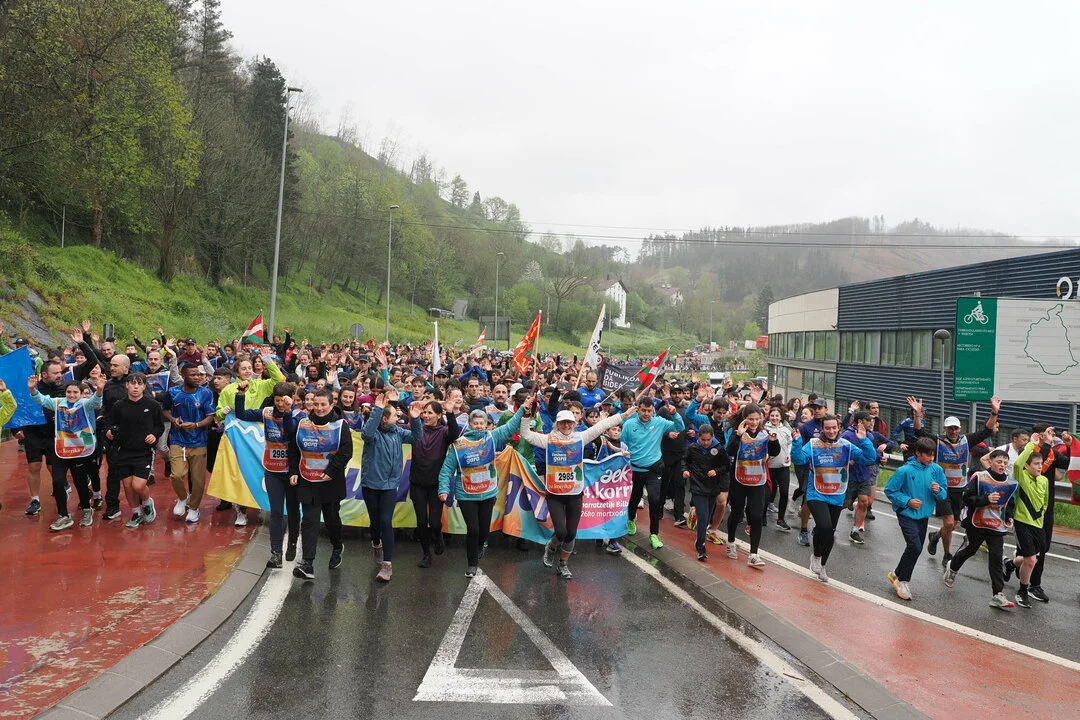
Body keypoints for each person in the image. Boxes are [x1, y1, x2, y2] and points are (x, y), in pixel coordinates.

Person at [520, 401, 633, 579]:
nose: (566, 426)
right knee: (561, 532)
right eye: (563, 423)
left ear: (574, 424)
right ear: (557, 424)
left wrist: (623, 416)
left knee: (572, 533)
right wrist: (526, 414)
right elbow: (526, 434)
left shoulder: (580, 438)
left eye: (569, 423)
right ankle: (551, 546)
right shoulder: (548, 440)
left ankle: (563, 565)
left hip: (575, 494)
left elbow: (601, 426)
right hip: (555, 495)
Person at [909, 395, 1000, 567]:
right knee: (949, 522)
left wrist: (994, 412)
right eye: (950, 428)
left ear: (960, 429)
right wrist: (917, 415)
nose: (953, 431)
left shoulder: (967, 440)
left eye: (956, 428)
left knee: (953, 524)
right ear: (945, 428)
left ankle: (935, 536)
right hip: (942, 488)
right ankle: (947, 554)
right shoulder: (937, 441)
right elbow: (919, 432)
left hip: (960, 488)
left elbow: (986, 431)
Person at [438, 405, 525, 578]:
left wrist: (522, 409)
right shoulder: (459, 444)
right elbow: (447, 469)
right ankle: (472, 564)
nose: (479, 426)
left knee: (484, 531)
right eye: (475, 423)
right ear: (470, 424)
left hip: (488, 493)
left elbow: (510, 427)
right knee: (473, 529)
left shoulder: (492, 437)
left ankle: (479, 545)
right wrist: (443, 489)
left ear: (486, 425)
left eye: (481, 423)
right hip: (466, 494)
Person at [232, 382, 303, 567]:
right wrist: (240, 394)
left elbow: (290, 429)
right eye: (277, 400)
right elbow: (241, 414)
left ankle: (292, 543)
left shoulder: (299, 415)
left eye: (283, 401)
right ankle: (276, 553)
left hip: (292, 472)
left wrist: (288, 410)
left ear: (291, 399)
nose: (280, 404)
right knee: (276, 512)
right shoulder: (267, 412)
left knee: (293, 511)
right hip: (273, 470)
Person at [360, 389, 424, 583]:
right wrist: (378, 409)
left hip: (389, 485)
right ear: (385, 419)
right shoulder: (373, 434)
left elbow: (417, 438)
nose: (399, 417)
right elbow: (366, 433)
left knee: (386, 521)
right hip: (371, 484)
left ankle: (387, 565)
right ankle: (376, 543)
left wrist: (415, 419)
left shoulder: (398, 432)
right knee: (375, 523)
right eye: (395, 415)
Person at [801, 415, 876, 581]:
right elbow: (799, 459)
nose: (831, 431)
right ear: (822, 429)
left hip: (836, 494)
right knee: (824, 526)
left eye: (834, 428)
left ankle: (822, 565)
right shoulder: (813, 444)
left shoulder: (845, 445)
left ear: (839, 428)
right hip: (816, 493)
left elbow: (869, 458)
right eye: (827, 428)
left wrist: (864, 440)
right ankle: (816, 555)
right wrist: (796, 442)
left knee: (830, 532)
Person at [289, 389, 353, 581]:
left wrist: (330, 471)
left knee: (331, 520)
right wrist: (293, 471)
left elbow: (346, 452)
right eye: (315, 404)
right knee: (309, 520)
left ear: (331, 405)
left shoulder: (340, 425)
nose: (319, 408)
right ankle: (308, 564)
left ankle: (337, 546)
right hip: (307, 480)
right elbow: (294, 449)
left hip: (330, 482)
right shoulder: (302, 423)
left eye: (323, 404)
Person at [29, 373, 104, 531]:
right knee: (57, 482)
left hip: (80, 449)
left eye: (75, 392)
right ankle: (63, 515)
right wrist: (32, 389)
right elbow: (42, 400)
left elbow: (96, 402)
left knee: (80, 482)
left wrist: (99, 390)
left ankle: (86, 509)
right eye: (69, 392)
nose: (71, 395)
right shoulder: (58, 403)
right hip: (62, 449)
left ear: (80, 393)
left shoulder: (85, 404)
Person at [943, 448, 1016, 609]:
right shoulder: (980, 477)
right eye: (999, 462)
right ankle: (952, 568)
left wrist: (1009, 517)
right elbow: (966, 498)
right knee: (971, 549)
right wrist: (986, 499)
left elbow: (1009, 503)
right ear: (990, 462)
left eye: (1005, 462)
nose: (1002, 465)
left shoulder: (1010, 483)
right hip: (976, 523)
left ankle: (997, 594)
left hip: (996, 525)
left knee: (996, 558)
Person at [884, 436, 948, 601]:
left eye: (933, 455)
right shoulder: (904, 471)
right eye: (928, 455)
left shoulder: (936, 470)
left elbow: (943, 494)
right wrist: (907, 501)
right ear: (918, 453)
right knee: (915, 546)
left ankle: (896, 573)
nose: (931, 458)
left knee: (915, 548)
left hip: (923, 516)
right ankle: (903, 581)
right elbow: (889, 490)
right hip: (906, 514)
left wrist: (938, 490)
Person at [103, 373, 165, 529]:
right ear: (127, 385)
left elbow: (160, 426)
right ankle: (136, 513)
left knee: (138, 486)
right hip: (123, 450)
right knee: (128, 486)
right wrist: (109, 432)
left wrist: (154, 435)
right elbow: (109, 423)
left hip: (144, 451)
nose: (136, 387)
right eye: (133, 383)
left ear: (144, 386)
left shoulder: (153, 405)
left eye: (139, 384)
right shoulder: (119, 406)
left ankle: (147, 503)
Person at [725, 404, 781, 568]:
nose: (754, 422)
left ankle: (754, 554)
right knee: (736, 513)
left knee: (756, 516)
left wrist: (774, 441)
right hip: (739, 479)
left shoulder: (764, 434)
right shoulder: (738, 433)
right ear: (745, 419)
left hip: (757, 480)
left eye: (757, 419)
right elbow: (730, 451)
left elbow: (774, 452)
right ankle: (730, 541)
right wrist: (738, 435)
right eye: (751, 419)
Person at [408, 397, 461, 568]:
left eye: (430, 413)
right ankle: (426, 554)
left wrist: (450, 413)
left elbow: (454, 434)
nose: (426, 415)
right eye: (424, 412)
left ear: (438, 415)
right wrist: (412, 416)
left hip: (436, 483)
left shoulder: (444, 432)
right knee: (421, 522)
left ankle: (437, 535)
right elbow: (398, 429)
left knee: (435, 522)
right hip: (417, 482)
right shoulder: (417, 430)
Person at [161, 363, 216, 523]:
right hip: (178, 440)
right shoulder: (173, 392)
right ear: (183, 375)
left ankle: (194, 508)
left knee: (198, 480)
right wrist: (173, 420)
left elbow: (210, 416)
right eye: (193, 375)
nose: (197, 377)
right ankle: (183, 497)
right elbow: (165, 409)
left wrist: (196, 425)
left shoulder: (206, 393)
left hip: (199, 441)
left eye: (198, 374)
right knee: (176, 474)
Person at [1002, 434, 1051, 609]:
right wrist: (1032, 444)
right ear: (1027, 466)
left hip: (1038, 525)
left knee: (1032, 559)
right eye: (1036, 464)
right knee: (1030, 560)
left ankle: (1009, 564)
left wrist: (1041, 517)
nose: (1039, 467)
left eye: (1040, 463)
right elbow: (1016, 464)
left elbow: (1045, 502)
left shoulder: (1044, 480)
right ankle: (1022, 592)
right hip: (1022, 523)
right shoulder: (1021, 476)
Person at [841, 410, 894, 545]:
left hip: (864, 475)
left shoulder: (869, 436)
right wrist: (848, 461)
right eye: (868, 420)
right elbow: (839, 452)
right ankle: (828, 522)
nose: (871, 422)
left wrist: (879, 458)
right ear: (860, 421)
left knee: (864, 502)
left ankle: (855, 531)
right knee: (845, 503)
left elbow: (871, 453)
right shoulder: (847, 435)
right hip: (850, 476)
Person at [683, 423, 730, 560]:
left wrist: (716, 471)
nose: (705, 443)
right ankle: (701, 547)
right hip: (697, 486)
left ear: (712, 437)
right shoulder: (693, 448)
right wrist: (685, 471)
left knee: (707, 516)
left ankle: (701, 538)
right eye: (703, 440)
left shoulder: (719, 449)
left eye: (708, 440)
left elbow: (726, 466)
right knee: (703, 517)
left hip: (713, 487)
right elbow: (685, 461)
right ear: (699, 437)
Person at [765, 407, 793, 531]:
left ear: (781, 417)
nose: (774, 418)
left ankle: (781, 519)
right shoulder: (765, 429)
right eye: (772, 415)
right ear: (769, 417)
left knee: (784, 492)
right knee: (767, 493)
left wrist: (789, 454)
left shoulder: (786, 430)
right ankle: (762, 516)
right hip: (769, 467)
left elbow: (790, 443)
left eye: (777, 416)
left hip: (783, 466)